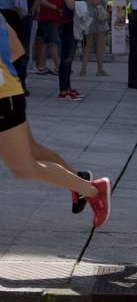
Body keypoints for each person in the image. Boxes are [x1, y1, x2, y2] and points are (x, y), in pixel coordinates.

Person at [0, 14, 111, 225]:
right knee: (32, 151)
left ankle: (94, 191)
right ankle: (80, 181)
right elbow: (16, 49)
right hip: (8, 93)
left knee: (23, 167)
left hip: (4, 98)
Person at [55, 0, 83, 101]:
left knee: (69, 58)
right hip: (67, 24)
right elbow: (71, 5)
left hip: (71, 23)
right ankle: (63, 90)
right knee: (66, 58)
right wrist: (85, 2)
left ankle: (67, 87)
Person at [0, 0, 29, 90]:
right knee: (18, 50)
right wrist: (20, 11)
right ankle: (19, 84)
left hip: (2, 14)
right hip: (12, 15)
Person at [80, 0, 109, 77]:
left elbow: (81, 2)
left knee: (88, 45)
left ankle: (83, 69)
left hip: (87, 19)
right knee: (100, 46)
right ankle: (99, 69)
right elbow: (104, 1)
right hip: (98, 19)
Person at [34, 0, 61, 75]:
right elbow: (42, 0)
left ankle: (41, 66)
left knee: (45, 43)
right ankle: (58, 67)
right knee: (53, 43)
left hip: (53, 17)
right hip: (47, 17)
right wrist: (56, 7)